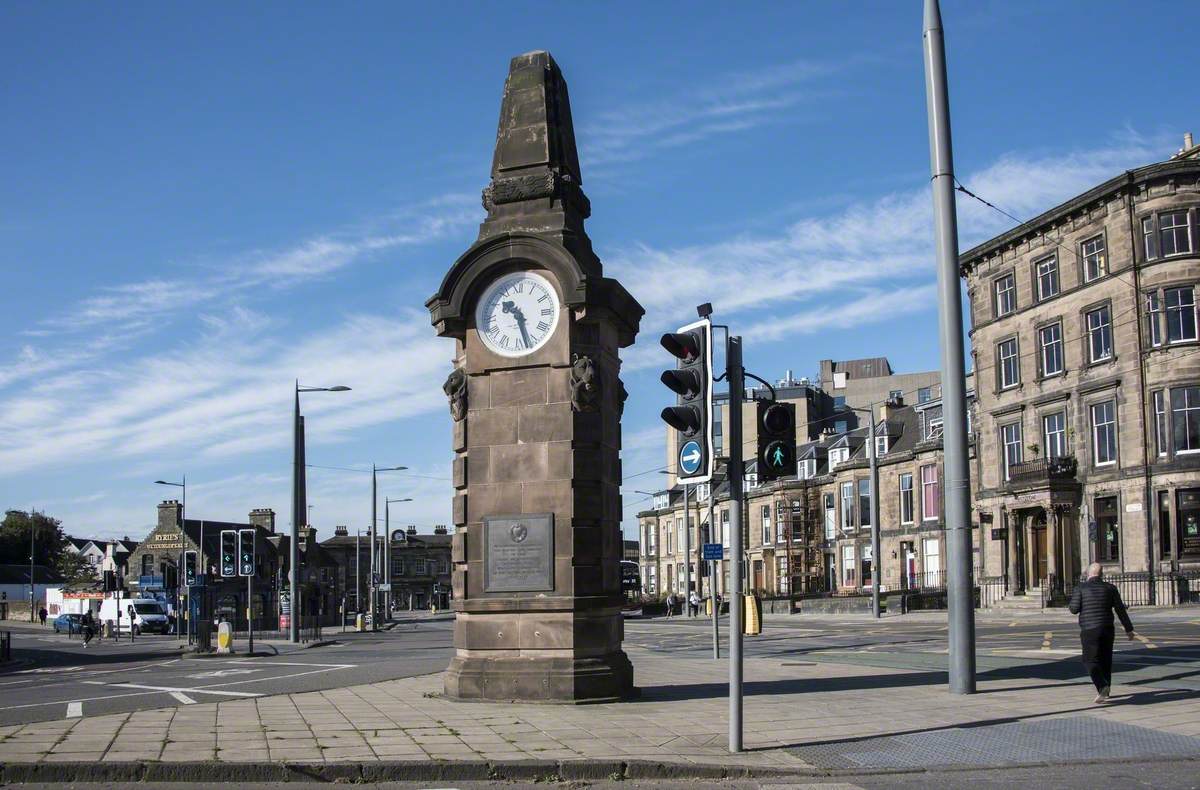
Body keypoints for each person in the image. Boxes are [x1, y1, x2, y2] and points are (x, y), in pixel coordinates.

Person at [1068, 562, 1136, 704]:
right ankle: (1107, 690)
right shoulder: (1110, 588)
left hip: (1089, 629)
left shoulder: (1080, 588)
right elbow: (1120, 610)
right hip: (1107, 628)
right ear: (1101, 574)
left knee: (1089, 660)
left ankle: (1102, 686)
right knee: (1106, 659)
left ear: (1088, 574)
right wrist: (1129, 629)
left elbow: (1073, 609)